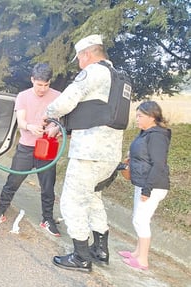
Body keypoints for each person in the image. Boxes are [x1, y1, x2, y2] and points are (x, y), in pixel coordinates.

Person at [46, 34, 124, 272]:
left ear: (86, 54)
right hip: (110, 155)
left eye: (79, 58)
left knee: (72, 202)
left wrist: (49, 114)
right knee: (93, 198)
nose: (79, 63)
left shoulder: (93, 72)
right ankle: (100, 249)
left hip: (89, 153)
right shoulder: (120, 77)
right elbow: (96, 113)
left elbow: (65, 102)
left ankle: (80, 257)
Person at [0, 63, 62, 236]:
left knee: (48, 187)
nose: (43, 89)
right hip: (26, 147)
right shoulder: (23, 96)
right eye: (39, 85)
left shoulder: (58, 96)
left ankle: (48, 219)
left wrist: (56, 129)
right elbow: (20, 121)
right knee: (13, 181)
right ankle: (0, 211)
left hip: (47, 148)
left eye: (46, 85)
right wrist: (29, 126)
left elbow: (61, 120)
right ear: (32, 80)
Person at [119, 101, 171, 270]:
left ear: (152, 116)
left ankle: (142, 260)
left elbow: (159, 164)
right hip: (142, 181)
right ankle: (136, 252)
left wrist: (147, 189)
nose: (137, 119)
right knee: (138, 218)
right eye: (137, 116)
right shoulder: (145, 133)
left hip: (153, 185)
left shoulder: (157, 136)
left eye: (140, 116)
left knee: (141, 220)